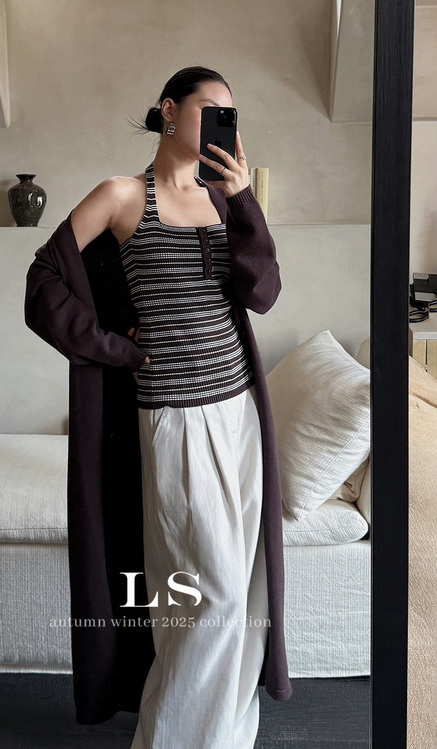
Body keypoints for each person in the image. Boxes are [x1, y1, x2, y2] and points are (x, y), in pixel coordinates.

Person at [24, 64, 292, 744]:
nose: (222, 123)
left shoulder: (224, 200)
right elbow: (44, 279)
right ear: (169, 111)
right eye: (209, 109)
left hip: (240, 413)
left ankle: (224, 737)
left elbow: (262, 294)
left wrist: (244, 201)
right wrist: (113, 347)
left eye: (231, 113)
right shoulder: (121, 195)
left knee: (247, 594)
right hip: (174, 416)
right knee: (210, 596)